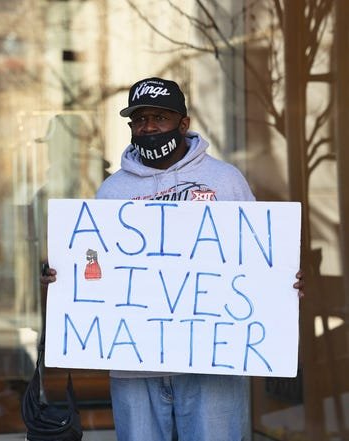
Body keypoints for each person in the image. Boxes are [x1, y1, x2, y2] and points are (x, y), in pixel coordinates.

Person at [40, 77, 304, 441]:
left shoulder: (225, 181)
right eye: (139, 119)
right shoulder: (113, 191)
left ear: (183, 123)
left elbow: (255, 255)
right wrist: (65, 279)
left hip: (213, 362)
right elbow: (96, 261)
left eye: (159, 118)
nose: (148, 127)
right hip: (135, 365)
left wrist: (282, 281)